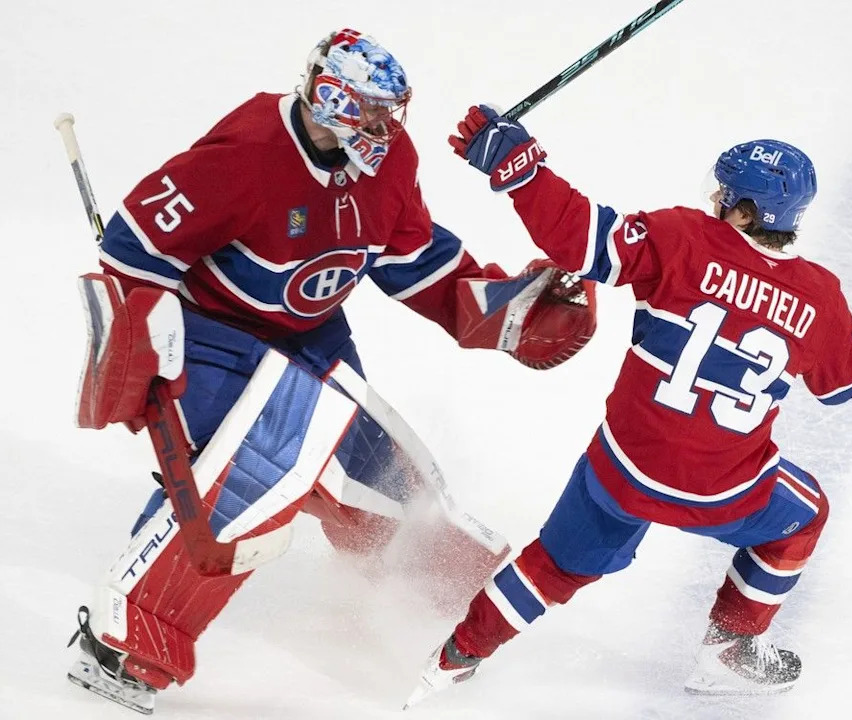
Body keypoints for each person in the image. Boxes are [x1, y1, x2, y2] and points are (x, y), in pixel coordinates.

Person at [65, 36, 596, 714]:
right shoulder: (246, 156)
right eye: (372, 112)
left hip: (313, 333)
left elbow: (409, 259)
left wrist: (506, 312)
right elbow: (129, 254)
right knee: (263, 462)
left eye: (390, 112)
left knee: (384, 485)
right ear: (332, 98)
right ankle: (127, 645)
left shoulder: (389, 162)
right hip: (214, 336)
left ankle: (444, 614)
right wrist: (135, 344)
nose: (387, 128)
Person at [408, 105, 852, 706]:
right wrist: (842, 326)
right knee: (804, 515)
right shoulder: (820, 297)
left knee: (556, 563)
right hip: (723, 490)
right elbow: (846, 382)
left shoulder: (681, 237)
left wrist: (517, 166)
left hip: (623, 469)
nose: (715, 198)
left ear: (747, 209)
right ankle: (729, 653)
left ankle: (453, 660)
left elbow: (581, 239)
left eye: (726, 193)